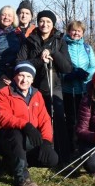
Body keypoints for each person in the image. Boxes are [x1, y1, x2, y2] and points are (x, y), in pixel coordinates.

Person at [16, 10, 73, 164]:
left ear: (53, 24)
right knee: (35, 121)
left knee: (58, 120)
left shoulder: (60, 40)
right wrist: (40, 60)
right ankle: (36, 154)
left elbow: (67, 68)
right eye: (42, 21)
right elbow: (21, 63)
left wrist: (54, 53)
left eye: (48, 22)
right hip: (33, 88)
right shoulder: (29, 40)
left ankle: (62, 156)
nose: (44, 24)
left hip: (54, 87)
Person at [0, 62, 59, 186]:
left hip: (29, 138)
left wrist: (46, 140)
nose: (25, 80)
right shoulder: (3, 93)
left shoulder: (37, 95)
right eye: (21, 75)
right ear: (15, 77)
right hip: (6, 138)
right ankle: (22, 177)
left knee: (52, 158)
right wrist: (26, 125)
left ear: (33, 79)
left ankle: (14, 163)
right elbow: (3, 117)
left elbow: (44, 119)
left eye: (28, 77)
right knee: (16, 134)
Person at [62, 20, 95, 153]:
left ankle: (82, 146)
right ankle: (69, 147)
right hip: (67, 89)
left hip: (83, 89)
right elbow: (58, 66)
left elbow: (93, 66)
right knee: (70, 119)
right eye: (73, 30)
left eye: (79, 31)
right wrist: (66, 76)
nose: (76, 33)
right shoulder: (63, 45)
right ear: (68, 31)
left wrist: (86, 75)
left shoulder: (87, 48)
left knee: (83, 119)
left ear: (82, 33)